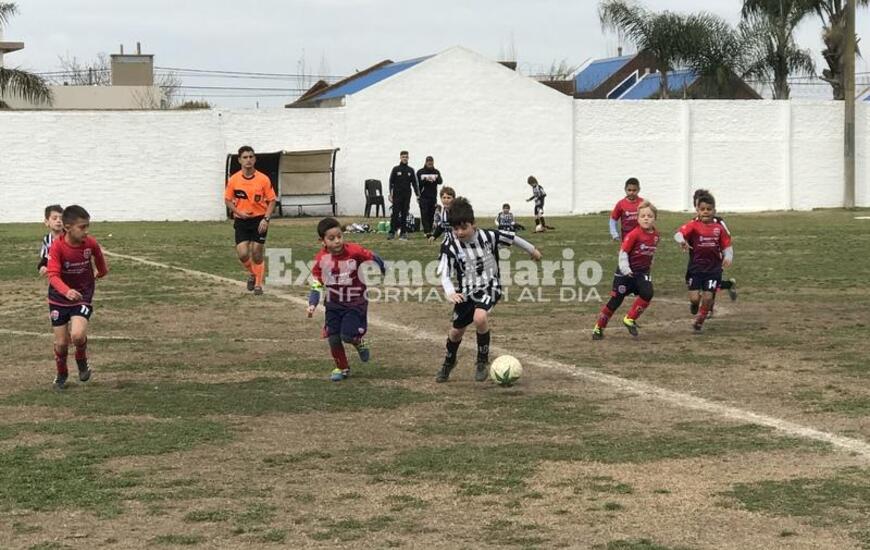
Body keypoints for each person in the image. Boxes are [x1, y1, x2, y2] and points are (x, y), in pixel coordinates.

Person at [435, 197, 542, 383]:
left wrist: (532, 250)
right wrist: (450, 291)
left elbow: (512, 238)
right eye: (455, 229)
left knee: (480, 317)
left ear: (473, 224)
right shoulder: (450, 246)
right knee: (455, 333)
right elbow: (444, 273)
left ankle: (482, 360)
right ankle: (449, 362)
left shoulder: (489, 236)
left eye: (463, 228)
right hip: (466, 292)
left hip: (490, 286)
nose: (459, 232)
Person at [306, 217, 387, 382]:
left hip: (355, 302)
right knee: (333, 337)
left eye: (339, 236)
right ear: (322, 241)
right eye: (331, 238)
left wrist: (382, 267)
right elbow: (316, 284)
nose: (337, 241)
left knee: (347, 336)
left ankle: (358, 342)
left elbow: (372, 256)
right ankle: (342, 367)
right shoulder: (321, 260)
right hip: (333, 304)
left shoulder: (354, 251)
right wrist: (312, 304)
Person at [45, 205, 108, 390]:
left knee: (78, 335)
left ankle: (81, 358)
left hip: (82, 295)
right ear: (68, 228)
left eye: (88, 226)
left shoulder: (90, 243)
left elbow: (99, 257)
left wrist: (101, 271)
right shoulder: (57, 247)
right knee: (61, 344)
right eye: (82, 227)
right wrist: (67, 291)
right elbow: (53, 275)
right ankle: (62, 372)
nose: (86, 231)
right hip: (58, 298)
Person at [593, 201, 660, 340]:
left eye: (649, 216)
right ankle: (599, 327)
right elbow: (623, 253)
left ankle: (629, 318)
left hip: (642, 273)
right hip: (625, 273)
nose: (646, 219)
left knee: (647, 293)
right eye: (643, 216)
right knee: (615, 301)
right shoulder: (634, 234)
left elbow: (651, 253)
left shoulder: (656, 235)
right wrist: (625, 269)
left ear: (655, 218)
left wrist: (650, 265)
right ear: (638, 218)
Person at [675, 192, 734, 332]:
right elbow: (678, 234)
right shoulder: (693, 225)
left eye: (709, 209)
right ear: (697, 210)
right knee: (695, 299)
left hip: (713, 269)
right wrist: (682, 241)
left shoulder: (719, 228)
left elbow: (727, 245)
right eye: (702, 209)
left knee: (708, 297)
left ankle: (700, 321)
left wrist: (728, 256)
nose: (706, 212)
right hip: (696, 268)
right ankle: (695, 304)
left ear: (714, 210)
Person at [224, 145, 276, 295]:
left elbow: (272, 200)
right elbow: (227, 200)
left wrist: (266, 219)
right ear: (240, 160)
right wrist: (238, 212)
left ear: (255, 159)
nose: (248, 160)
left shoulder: (263, 179)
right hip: (241, 220)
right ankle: (253, 274)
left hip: (259, 219)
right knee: (243, 254)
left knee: (257, 252)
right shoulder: (234, 180)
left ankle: (258, 284)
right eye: (245, 157)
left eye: (251, 157)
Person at [686, 189, 737, 316]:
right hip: (696, 259)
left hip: (714, 258)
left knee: (711, 284)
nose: (704, 210)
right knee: (693, 282)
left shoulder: (718, 222)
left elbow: (727, 237)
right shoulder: (693, 222)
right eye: (698, 205)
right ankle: (729, 284)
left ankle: (709, 309)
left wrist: (727, 254)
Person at [388, 151, 419, 240]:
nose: (405, 158)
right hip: (397, 195)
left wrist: (417, 195)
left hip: (407, 195)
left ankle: (403, 232)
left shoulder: (410, 170)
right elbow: (391, 182)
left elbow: (414, 184)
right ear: (400, 158)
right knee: (395, 213)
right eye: (403, 157)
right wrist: (390, 194)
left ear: (408, 158)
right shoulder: (395, 169)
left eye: (406, 157)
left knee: (405, 214)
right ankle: (392, 232)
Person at [416, 155, 443, 238]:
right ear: (425, 162)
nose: (430, 163)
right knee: (424, 213)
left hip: (433, 197)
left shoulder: (436, 171)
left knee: (431, 214)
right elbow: (417, 184)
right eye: (428, 162)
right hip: (423, 196)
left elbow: (440, 181)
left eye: (431, 162)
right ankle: (426, 231)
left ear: (433, 162)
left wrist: (434, 178)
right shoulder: (420, 172)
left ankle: (430, 229)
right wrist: (425, 180)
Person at [609, 177, 643, 241]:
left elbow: (649, 218)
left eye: (634, 190)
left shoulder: (643, 202)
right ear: (625, 189)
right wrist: (614, 234)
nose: (631, 192)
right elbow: (613, 219)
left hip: (640, 236)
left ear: (639, 190)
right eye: (629, 190)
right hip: (626, 237)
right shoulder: (621, 204)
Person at [38, 204, 64, 276]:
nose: (58, 221)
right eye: (54, 218)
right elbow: (46, 257)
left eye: (61, 218)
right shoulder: (47, 240)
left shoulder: (70, 237)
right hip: (56, 274)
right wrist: (42, 266)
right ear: (47, 222)